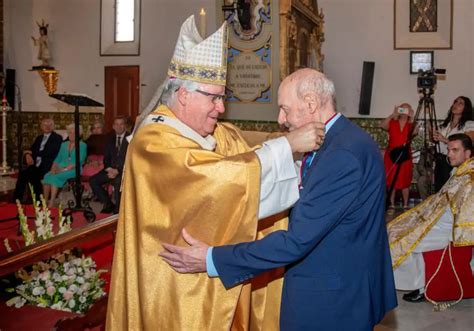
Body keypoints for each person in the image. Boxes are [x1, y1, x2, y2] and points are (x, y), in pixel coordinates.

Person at [106, 16, 325, 331]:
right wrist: (288, 143)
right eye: (214, 97)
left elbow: (246, 159)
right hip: (175, 289)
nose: (221, 108)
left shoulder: (215, 132)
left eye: (222, 97)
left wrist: (296, 151)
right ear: (183, 95)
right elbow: (214, 181)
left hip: (213, 276)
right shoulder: (152, 142)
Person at [160, 68, 398, 330]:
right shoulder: (343, 139)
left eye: (285, 109)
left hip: (330, 300)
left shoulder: (342, 154)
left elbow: (295, 242)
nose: (280, 119)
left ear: (310, 103)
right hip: (340, 284)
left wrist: (211, 259)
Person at [388, 133, 473, 303]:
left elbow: (468, 215)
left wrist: (454, 239)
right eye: (449, 149)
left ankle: (420, 286)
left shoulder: (470, 179)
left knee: (404, 241)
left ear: (468, 153)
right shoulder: (460, 171)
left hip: (450, 230)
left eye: (455, 150)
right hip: (438, 220)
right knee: (393, 228)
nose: (449, 154)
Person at [13, 118, 63, 202]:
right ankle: (16, 200)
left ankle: (37, 200)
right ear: (41, 127)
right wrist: (27, 154)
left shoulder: (57, 138)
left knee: (34, 175)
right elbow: (32, 150)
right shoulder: (39, 138)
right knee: (23, 174)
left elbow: (48, 152)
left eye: (50, 125)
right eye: (45, 125)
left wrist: (30, 152)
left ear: (53, 126)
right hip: (36, 165)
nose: (47, 126)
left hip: (48, 166)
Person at [380, 103, 416, 211]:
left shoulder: (411, 125)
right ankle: (391, 204)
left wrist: (412, 117)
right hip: (391, 155)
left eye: (407, 109)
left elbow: (415, 132)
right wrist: (393, 114)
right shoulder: (392, 122)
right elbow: (382, 125)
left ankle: (405, 204)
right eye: (402, 108)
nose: (404, 111)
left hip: (405, 156)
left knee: (405, 180)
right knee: (391, 181)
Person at [432, 96, 473, 192]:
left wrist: (445, 140)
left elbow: (467, 141)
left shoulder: (469, 124)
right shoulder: (444, 125)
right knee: (439, 191)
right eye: (455, 102)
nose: (456, 104)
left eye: (460, 103)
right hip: (440, 161)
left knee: (451, 191)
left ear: (466, 108)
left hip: (455, 163)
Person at [89, 116, 129, 214]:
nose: (119, 126)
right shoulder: (109, 138)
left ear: (125, 126)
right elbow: (106, 158)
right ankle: (108, 203)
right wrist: (109, 169)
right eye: (116, 124)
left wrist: (117, 171)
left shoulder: (130, 138)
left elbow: (129, 159)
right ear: (113, 126)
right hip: (110, 169)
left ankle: (118, 210)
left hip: (124, 171)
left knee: (117, 181)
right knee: (93, 180)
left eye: (121, 124)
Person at [42, 123, 87, 208]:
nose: (71, 135)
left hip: (74, 169)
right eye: (69, 132)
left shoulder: (82, 145)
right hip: (60, 167)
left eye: (74, 133)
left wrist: (64, 169)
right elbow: (58, 158)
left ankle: (52, 202)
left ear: (79, 134)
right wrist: (53, 167)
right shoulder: (64, 144)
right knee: (47, 176)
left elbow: (80, 161)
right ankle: (45, 201)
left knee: (55, 177)